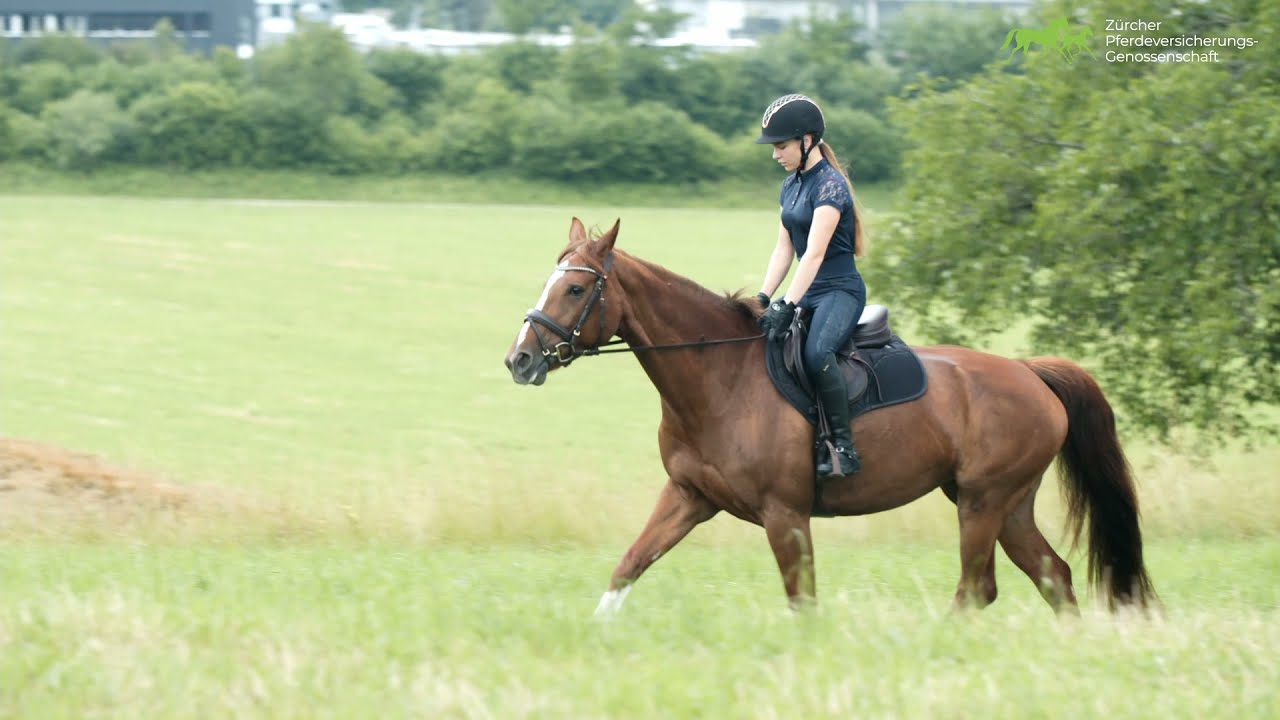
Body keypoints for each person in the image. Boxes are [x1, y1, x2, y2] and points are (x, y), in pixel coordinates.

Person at [753, 94, 867, 478]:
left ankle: (843, 448)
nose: (775, 155)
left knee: (818, 352)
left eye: (781, 146)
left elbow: (814, 255)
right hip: (809, 291)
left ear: (807, 140)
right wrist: (765, 297)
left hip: (839, 290)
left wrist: (788, 303)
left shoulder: (831, 187)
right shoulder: (791, 186)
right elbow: (784, 249)